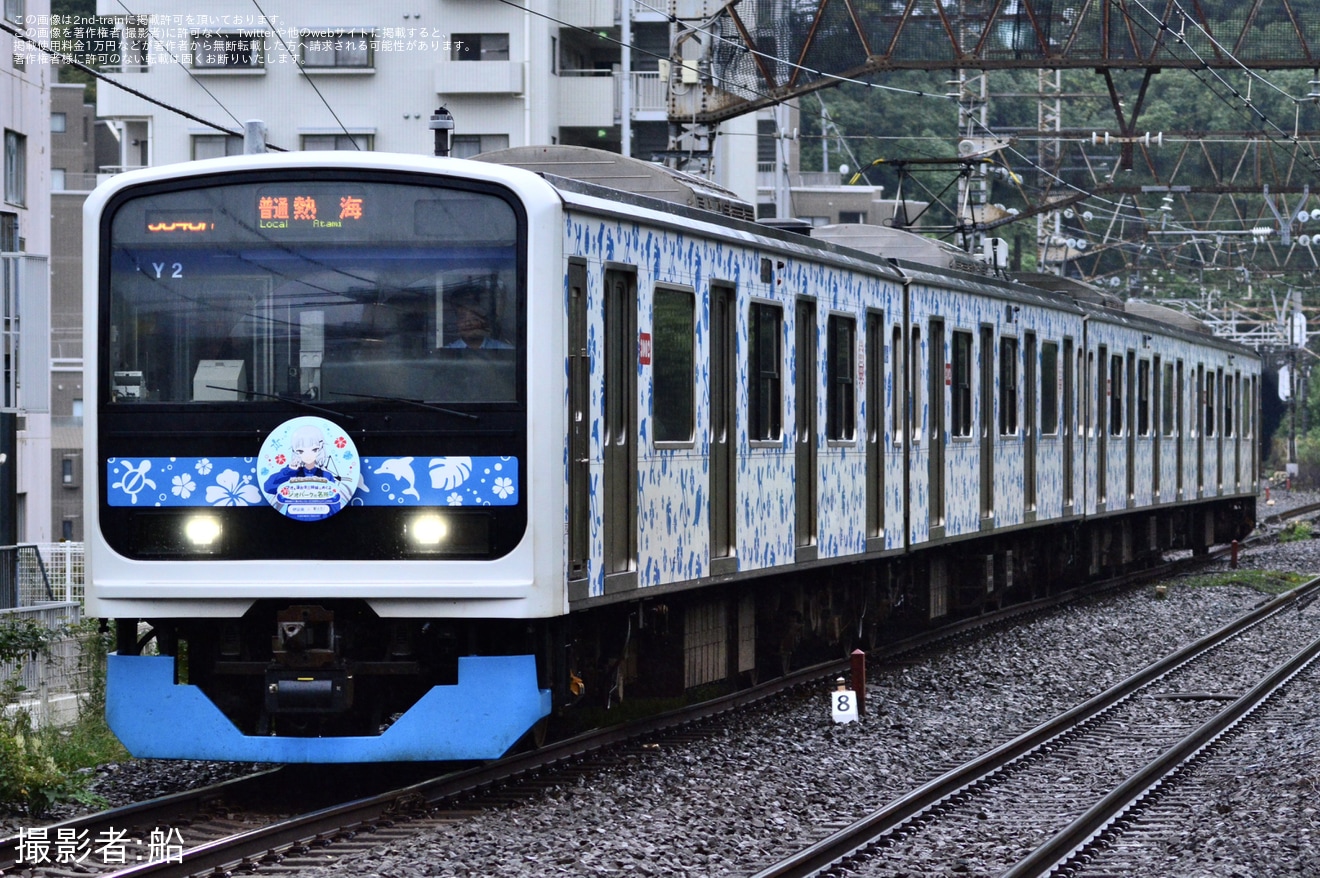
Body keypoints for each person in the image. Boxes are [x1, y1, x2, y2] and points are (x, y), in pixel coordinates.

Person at [446, 287, 512, 350]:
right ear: (456, 322)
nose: (468, 323)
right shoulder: (445, 353)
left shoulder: (507, 350)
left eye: (474, 317)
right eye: (462, 317)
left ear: (484, 320)